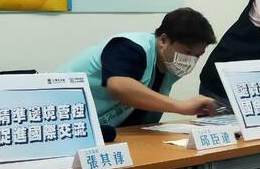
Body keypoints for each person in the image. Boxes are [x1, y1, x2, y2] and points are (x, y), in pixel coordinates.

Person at [59, 8, 218, 127]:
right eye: (188, 52)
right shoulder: (130, 46)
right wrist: (181, 106)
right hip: (63, 117)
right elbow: (120, 87)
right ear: (163, 40)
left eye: (198, 55)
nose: (191, 60)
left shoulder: (169, 68)